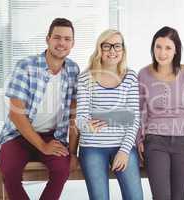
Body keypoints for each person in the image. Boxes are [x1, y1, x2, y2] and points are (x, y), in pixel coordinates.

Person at [0, 18, 79, 200]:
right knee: (8, 169)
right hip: (20, 134)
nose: (62, 43)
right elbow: (16, 114)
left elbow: (74, 116)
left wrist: (72, 153)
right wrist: (42, 146)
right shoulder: (26, 66)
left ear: (72, 43)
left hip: (52, 136)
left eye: (67, 39)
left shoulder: (73, 70)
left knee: (62, 169)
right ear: (47, 39)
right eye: (57, 37)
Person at [137, 26, 184, 200]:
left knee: (179, 197)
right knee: (161, 197)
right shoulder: (143, 74)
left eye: (168, 48)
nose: (162, 53)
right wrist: (139, 139)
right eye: (158, 47)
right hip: (155, 140)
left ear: (176, 50)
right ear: (153, 48)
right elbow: (138, 111)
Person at [76, 29, 143, 200]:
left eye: (117, 46)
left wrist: (124, 151)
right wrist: (87, 124)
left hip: (123, 146)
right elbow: (81, 118)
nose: (112, 50)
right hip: (92, 147)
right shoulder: (86, 77)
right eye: (107, 46)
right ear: (100, 48)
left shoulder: (130, 77)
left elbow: (133, 118)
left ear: (123, 50)